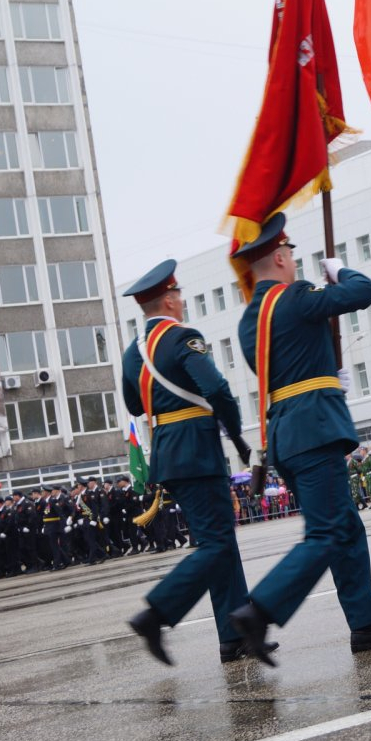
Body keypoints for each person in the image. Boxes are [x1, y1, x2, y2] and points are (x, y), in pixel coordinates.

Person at [228, 214, 371, 663]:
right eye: (292, 257)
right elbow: (365, 292)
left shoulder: (249, 321)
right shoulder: (298, 297)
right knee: (326, 533)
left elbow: (286, 367)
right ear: (282, 257)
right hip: (313, 429)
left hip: (287, 431)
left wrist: (325, 375)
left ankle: (363, 622)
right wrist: (339, 271)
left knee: (344, 527)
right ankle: (260, 608)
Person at [119, 259, 266, 666]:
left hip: (167, 452)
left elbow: (134, 404)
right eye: (178, 295)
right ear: (168, 300)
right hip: (197, 451)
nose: (181, 301)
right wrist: (236, 435)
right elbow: (216, 388)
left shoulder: (134, 353)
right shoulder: (184, 338)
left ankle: (235, 634)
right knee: (216, 544)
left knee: (220, 544)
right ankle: (157, 612)